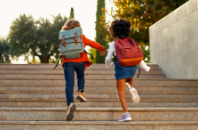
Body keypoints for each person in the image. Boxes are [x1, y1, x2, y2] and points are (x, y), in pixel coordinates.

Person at [105, 19, 151, 122]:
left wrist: (109, 65)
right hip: (132, 68)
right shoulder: (132, 41)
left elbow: (108, 59)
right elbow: (138, 57)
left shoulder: (114, 43)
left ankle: (126, 114)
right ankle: (131, 87)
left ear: (114, 31)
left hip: (121, 68)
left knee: (120, 91)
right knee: (128, 78)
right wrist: (147, 68)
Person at [61, 19, 105, 121]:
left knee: (69, 83)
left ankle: (70, 104)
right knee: (80, 76)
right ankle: (80, 92)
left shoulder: (63, 36)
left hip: (68, 62)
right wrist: (101, 49)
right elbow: (91, 43)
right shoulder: (81, 37)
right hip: (80, 61)